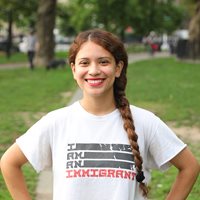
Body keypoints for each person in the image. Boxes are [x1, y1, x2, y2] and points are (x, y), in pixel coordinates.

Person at [0, 29, 199, 200]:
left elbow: (189, 166)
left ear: (118, 68)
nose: (94, 71)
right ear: (74, 69)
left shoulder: (145, 122)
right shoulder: (56, 122)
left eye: (103, 62)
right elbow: (9, 163)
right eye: (84, 63)